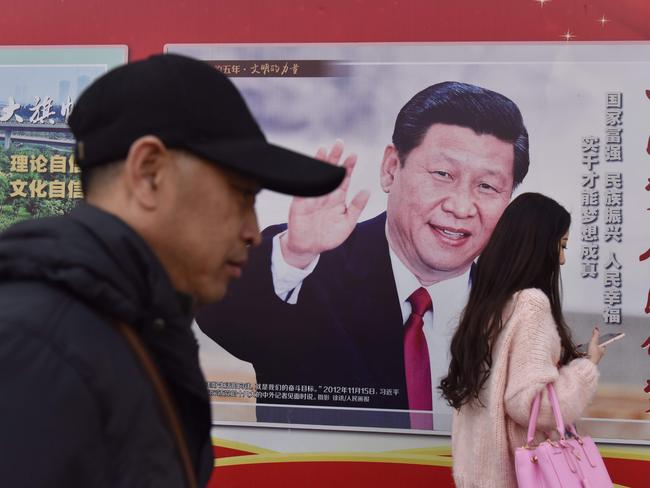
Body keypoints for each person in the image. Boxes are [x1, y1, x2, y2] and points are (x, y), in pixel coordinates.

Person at [0, 54, 345, 487]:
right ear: (149, 173)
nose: (254, 232)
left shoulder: (130, 326)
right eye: (241, 195)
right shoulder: (36, 348)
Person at [196, 81, 530, 429]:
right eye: (442, 174)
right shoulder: (310, 270)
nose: (461, 207)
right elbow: (221, 314)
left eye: (487, 186)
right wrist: (295, 254)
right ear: (390, 169)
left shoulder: (515, 310)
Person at [439, 192, 605, 487]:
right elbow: (530, 405)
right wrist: (586, 368)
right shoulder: (532, 305)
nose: (563, 259)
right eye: (561, 245)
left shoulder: (487, 308)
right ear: (539, 246)